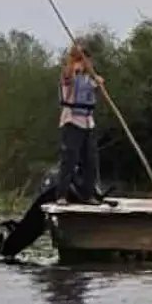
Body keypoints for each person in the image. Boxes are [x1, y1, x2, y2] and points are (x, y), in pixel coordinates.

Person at [57, 45, 103, 203]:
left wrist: (98, 83)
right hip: (72, 121)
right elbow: (68, 76)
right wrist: (75, 63)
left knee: (90, 160)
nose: (86, 63)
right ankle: (62, 195)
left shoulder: (90, 78)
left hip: (88, 122)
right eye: (82, 59)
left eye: (87, 60)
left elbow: (95, 92)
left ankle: (88, 194)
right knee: (69, 159)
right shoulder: (69, 74)